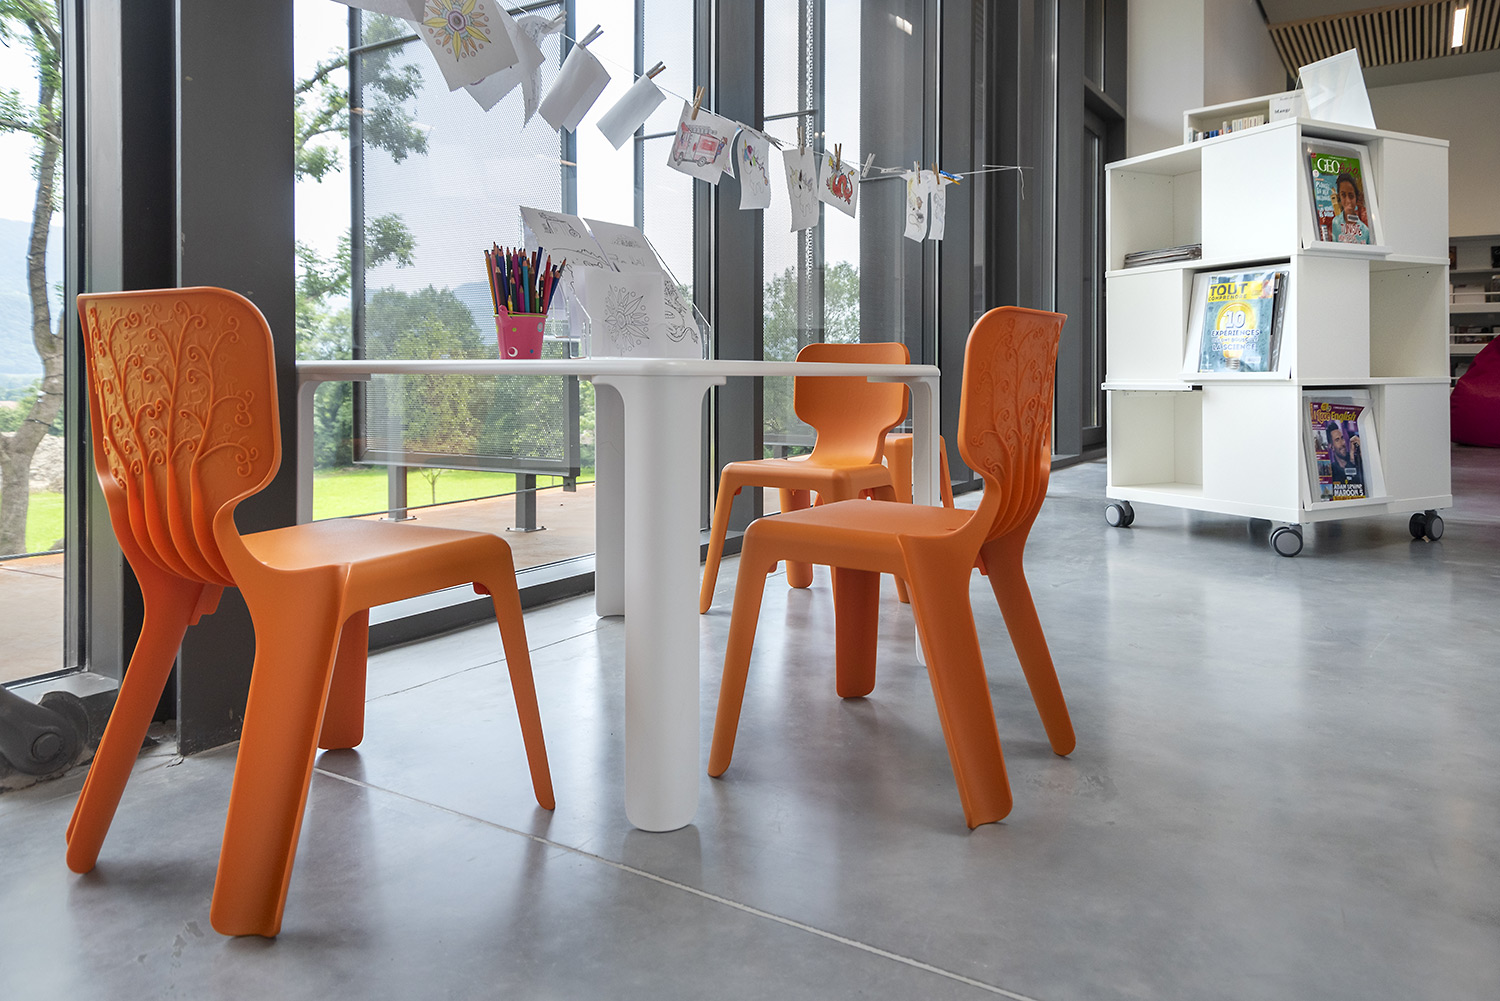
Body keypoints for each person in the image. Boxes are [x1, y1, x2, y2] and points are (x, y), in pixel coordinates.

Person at [1331, 173, 1372, 244]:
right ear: (1339, 197)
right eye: (1343, 195)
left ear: (1356, 197)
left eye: (1351, 196)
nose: (1348, 201)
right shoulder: (1335, 223)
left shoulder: (1365, 230)